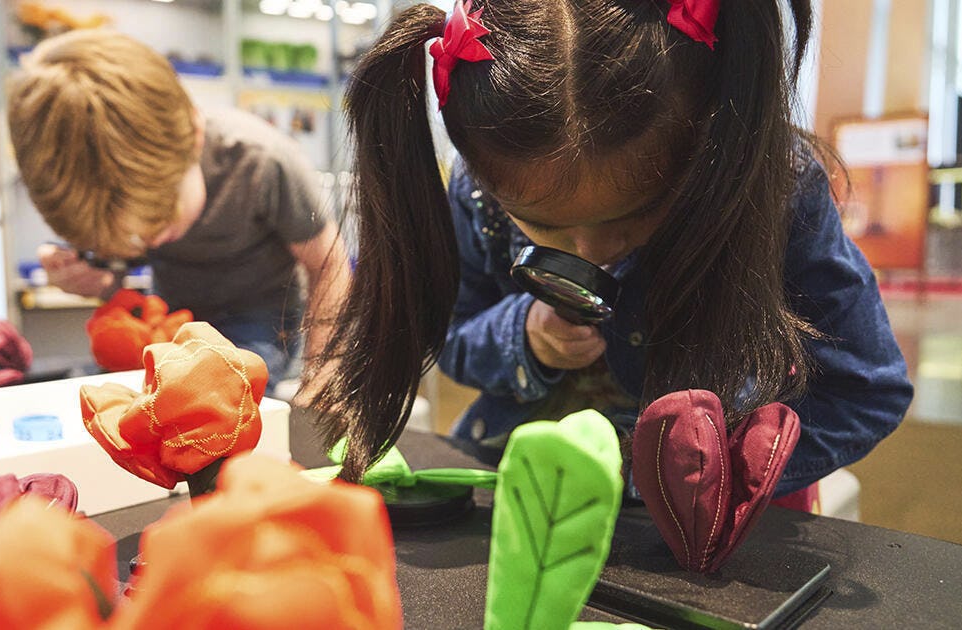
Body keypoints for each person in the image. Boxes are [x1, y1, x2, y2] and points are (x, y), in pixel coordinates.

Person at [309, 0, 914, 491]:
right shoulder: (478, 193)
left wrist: (722, 473)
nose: (591, 249)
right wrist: (525, 338)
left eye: (633, 216)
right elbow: (453, 336)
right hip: (522, 484)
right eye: (540, 224)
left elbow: (866, 392)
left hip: (704, 535)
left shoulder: (778, 188)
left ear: (704, 143)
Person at [6, 29, 348, 392]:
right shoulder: (106, 184)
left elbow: (329, 264)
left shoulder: (260, 161)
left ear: (195, 135)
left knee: (224, 394)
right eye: (136, 235)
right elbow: (120, 275)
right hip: (170, 312)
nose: (151, 239)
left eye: (162, 217)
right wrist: (99, 282)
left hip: (260, 313)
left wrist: (324, 372)